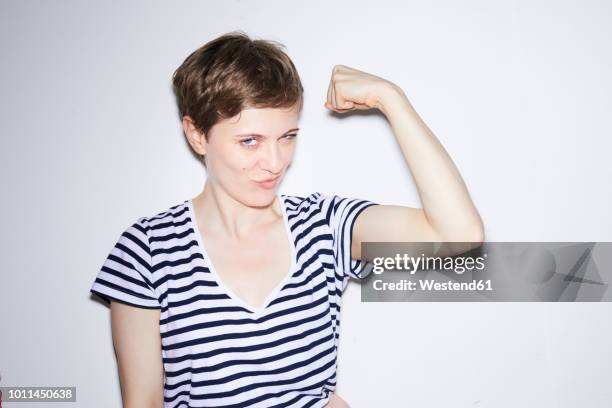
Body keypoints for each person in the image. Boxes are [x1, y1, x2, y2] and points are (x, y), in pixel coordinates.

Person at [90, 31, 484, 408]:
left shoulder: (322, 226)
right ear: (196, 134)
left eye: (288, 136)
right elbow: (144, 402)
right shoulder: (148, 249)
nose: (275, 163)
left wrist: (391, 99)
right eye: (250, 141)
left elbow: (457, 235)